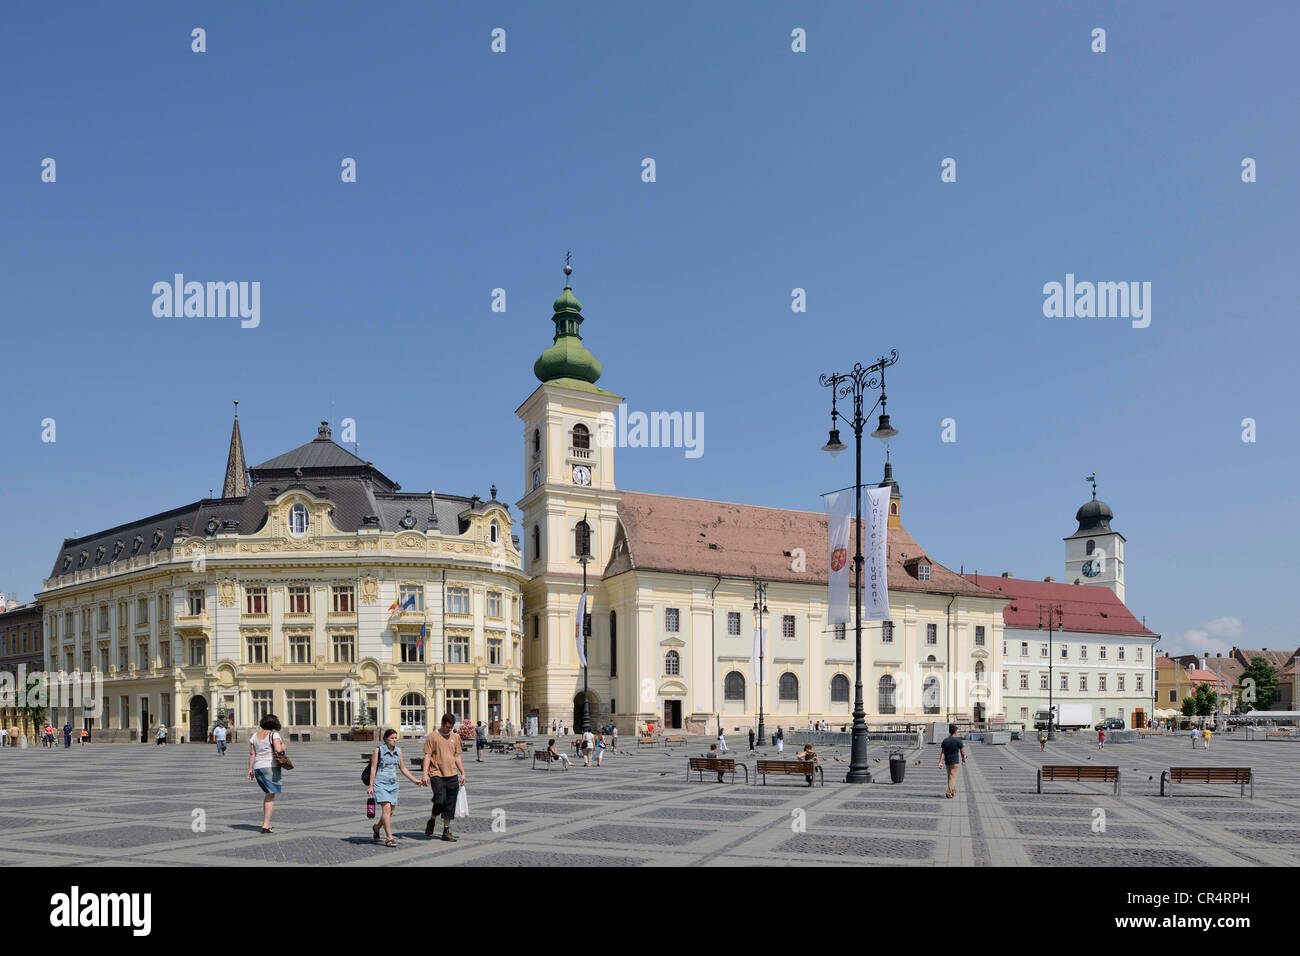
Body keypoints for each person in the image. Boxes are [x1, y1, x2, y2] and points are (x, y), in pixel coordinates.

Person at [367, 728, 426, 848]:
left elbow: (403, 768)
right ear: (385, 739)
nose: (394, 740)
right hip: (380, 783)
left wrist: (415, 780)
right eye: (392, 738)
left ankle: (377, 827)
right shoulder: (378, 750)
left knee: (390, 811)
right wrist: (371, 785)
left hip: (393, 784)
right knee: (386, 809)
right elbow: (373, 768)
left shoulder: (398, 751)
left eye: (395, 738)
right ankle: (389, 838)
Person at [421, 712, 467, 842]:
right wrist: (425, 774)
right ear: (442, 724)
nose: (449, 729)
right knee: (440, 801)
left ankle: (446, 831)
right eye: (447, 727)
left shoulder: (455, 737)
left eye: (451, 727)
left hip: (452, 774)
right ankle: (432, 819)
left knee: (450, 803)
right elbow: (427, 756)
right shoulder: (432, 737)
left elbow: (457, 756)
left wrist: (462, 772)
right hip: (436, 774)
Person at [248, 714, 286, 833]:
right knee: (270, 795)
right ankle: (265, 824)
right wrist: (283, 745)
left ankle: (266, 823)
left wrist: (250, 769)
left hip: (258, 767)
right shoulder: (274, 734)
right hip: (270, 767)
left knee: (268, 794)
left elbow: (252, 754)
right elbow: (278, 749)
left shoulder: (254, 736)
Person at [940, 724, 966, 798]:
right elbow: (962, 752)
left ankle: (953, 791)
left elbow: (942, 752)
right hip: (955, 762)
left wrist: (940, 761)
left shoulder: (945, 740)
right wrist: (963, 758)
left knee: (950, 777)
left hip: (947, 761)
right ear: (955, 731)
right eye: (957, 730)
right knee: (952, 777)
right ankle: (949, 792)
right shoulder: (958, 741)